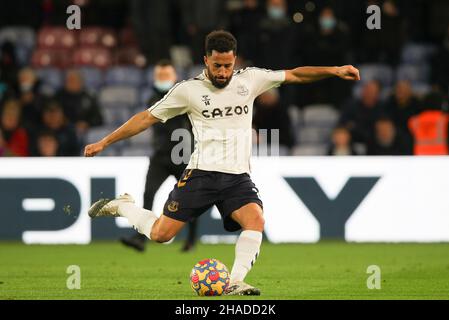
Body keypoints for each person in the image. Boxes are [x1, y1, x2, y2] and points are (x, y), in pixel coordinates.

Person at [84, 30, 360, 295]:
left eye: (228, 65)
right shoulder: (188, 91)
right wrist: (104, 142)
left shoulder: (250, 80)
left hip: (237, 177)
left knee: (255, 220)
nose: (223, 72)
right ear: (206, 59)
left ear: (235, 60)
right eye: (217, 65)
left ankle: (235, 282)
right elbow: (145, 118)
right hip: (201, 174)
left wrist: (334, 70)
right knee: (160, 234)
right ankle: (123, 206)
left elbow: (295, 75)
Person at [120, 60, 199, 253]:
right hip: (161, 155)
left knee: (190, 199)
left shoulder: (184, 96)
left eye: (166, 76)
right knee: (149, 194)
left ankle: (191, 239)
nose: (163, 80)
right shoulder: (154, 97)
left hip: (182, 156)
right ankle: (140, 238)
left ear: (174, 77)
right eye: (160, 76)